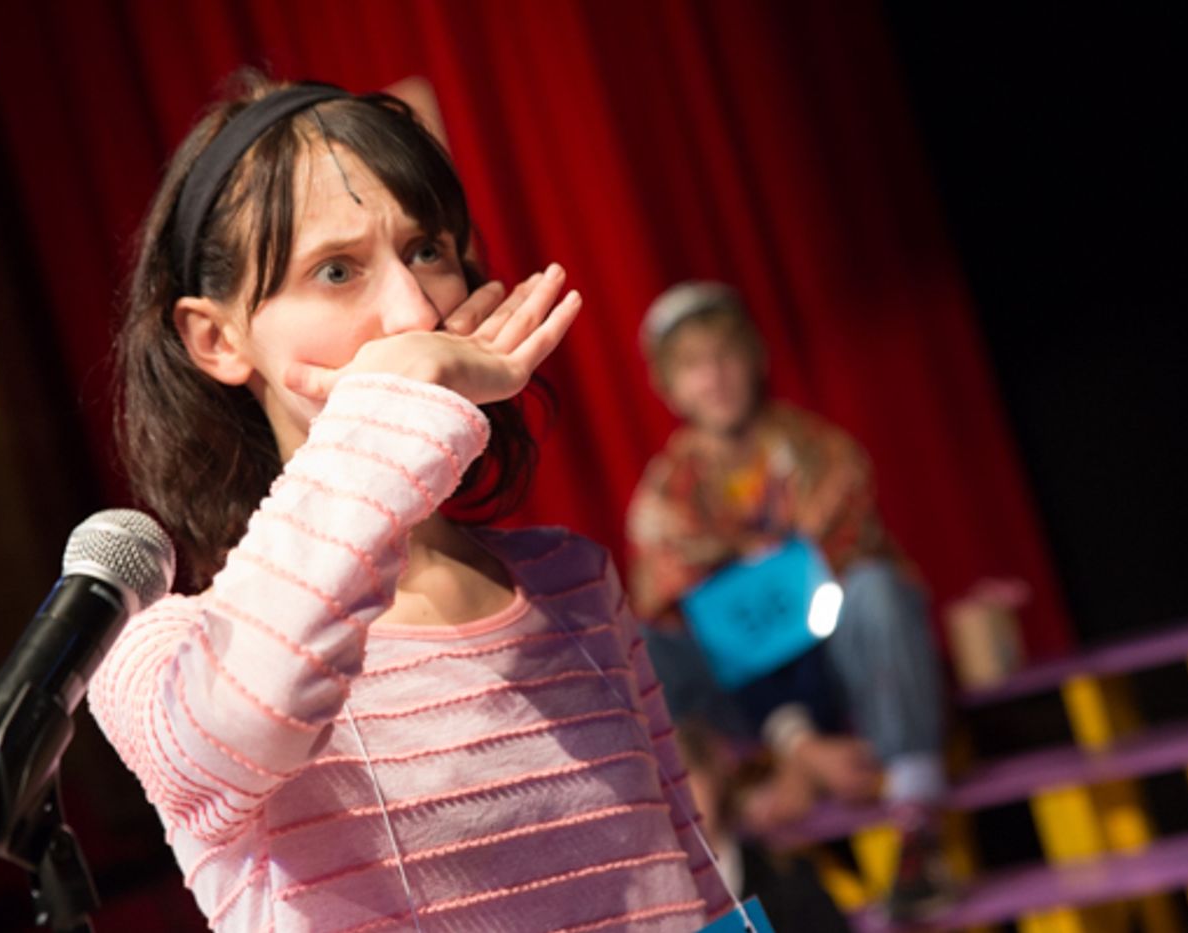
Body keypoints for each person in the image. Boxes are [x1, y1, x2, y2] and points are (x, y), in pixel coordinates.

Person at [86, 72, 733, 932]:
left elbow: (694, 883)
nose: (413, 308)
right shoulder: (166, 651)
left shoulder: (574, 581)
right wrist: (395, 399)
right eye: (338, 269)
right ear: (216, 336)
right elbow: (255, 709)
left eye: (426, 249)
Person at [625, 281, 950, 920]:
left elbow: (839, 584)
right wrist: (796, 747)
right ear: (670, 385)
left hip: (843, 675)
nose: (714, 378)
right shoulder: (665, 499)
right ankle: (731, 823)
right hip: (748, 721)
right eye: (693, 365)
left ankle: (917, 823)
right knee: (646, 641)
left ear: (755, 358)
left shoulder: (825, 455)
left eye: (725, 355)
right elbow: (696, 628)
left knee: (878, 589)